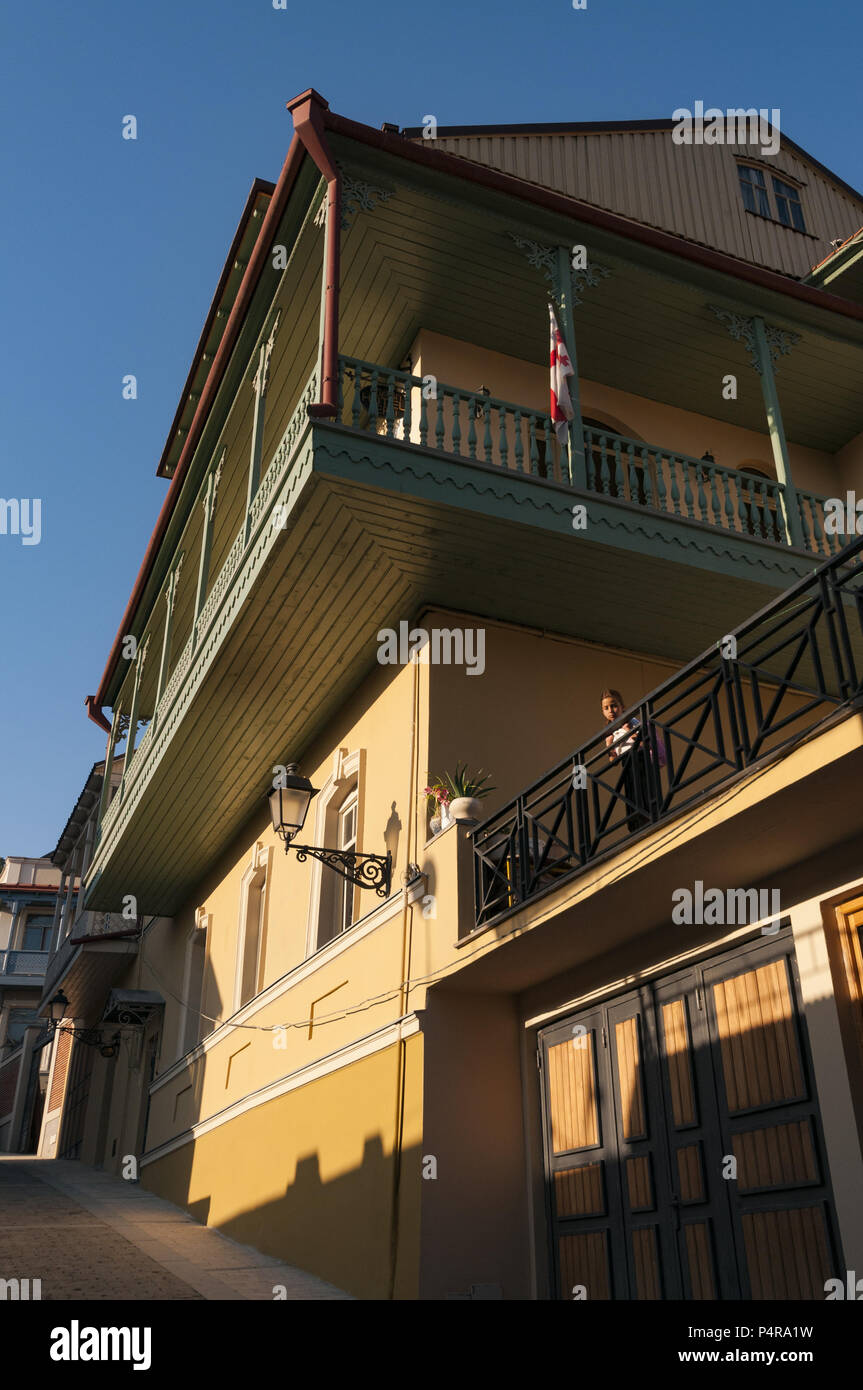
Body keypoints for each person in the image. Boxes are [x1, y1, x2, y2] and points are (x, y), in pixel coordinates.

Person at [601, 688, 650, 831]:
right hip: (626, 762)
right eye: (606, 708)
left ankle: (647, 818)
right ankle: (635, 825)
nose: (611, 710)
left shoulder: (632, 720)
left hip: (640, 758)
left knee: (643, 790)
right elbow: (613, 762)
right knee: (631, 793)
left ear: (622, 707)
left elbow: (645, 743)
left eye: (614, 705)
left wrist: (629, 731)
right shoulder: (609, 731)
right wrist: (609, 746)